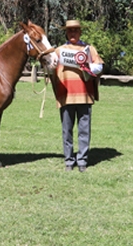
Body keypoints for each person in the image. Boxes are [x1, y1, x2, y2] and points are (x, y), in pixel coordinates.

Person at [49, 20, 104, 172]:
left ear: (80, 32)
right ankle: (68, 161)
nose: (73, 33)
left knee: (84, 130)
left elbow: (99, 66)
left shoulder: (89, 49)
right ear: (66, 32)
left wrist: (88, 67)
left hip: (84, 96)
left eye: (75, 30)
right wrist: (50, 66)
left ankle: (82, 161)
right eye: (70, 30)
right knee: (67, 130)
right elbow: (50, 67)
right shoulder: (58, 51)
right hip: (65, 95)